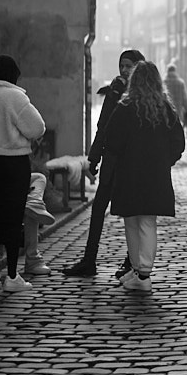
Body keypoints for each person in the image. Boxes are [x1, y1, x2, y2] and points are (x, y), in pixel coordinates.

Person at [62, 48, 145, 277]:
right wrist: (93, 158)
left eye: (129, 65)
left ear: (139, 67)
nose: (124, 70)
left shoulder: (145, 94)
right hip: (112, 161)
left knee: (132, 212)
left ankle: (132, 263)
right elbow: (103, 127)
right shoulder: (115, 90)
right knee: (98, 209)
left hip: (132, 164)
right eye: (122, 65)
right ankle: (89, 260)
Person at [104, 61, 185, 292]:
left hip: (129, 173)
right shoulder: (166, 109)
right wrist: (164, 162)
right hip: (155, 175)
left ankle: (140, 272)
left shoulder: (126, 107)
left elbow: (112, 142)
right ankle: (142, 273)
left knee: (131, 221)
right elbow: (178, 143)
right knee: (148, 222)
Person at [0, 55, 46, 292]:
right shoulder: (15, 96)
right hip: (13, 164)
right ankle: (12, 276)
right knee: (13, 217)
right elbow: (37, 127)